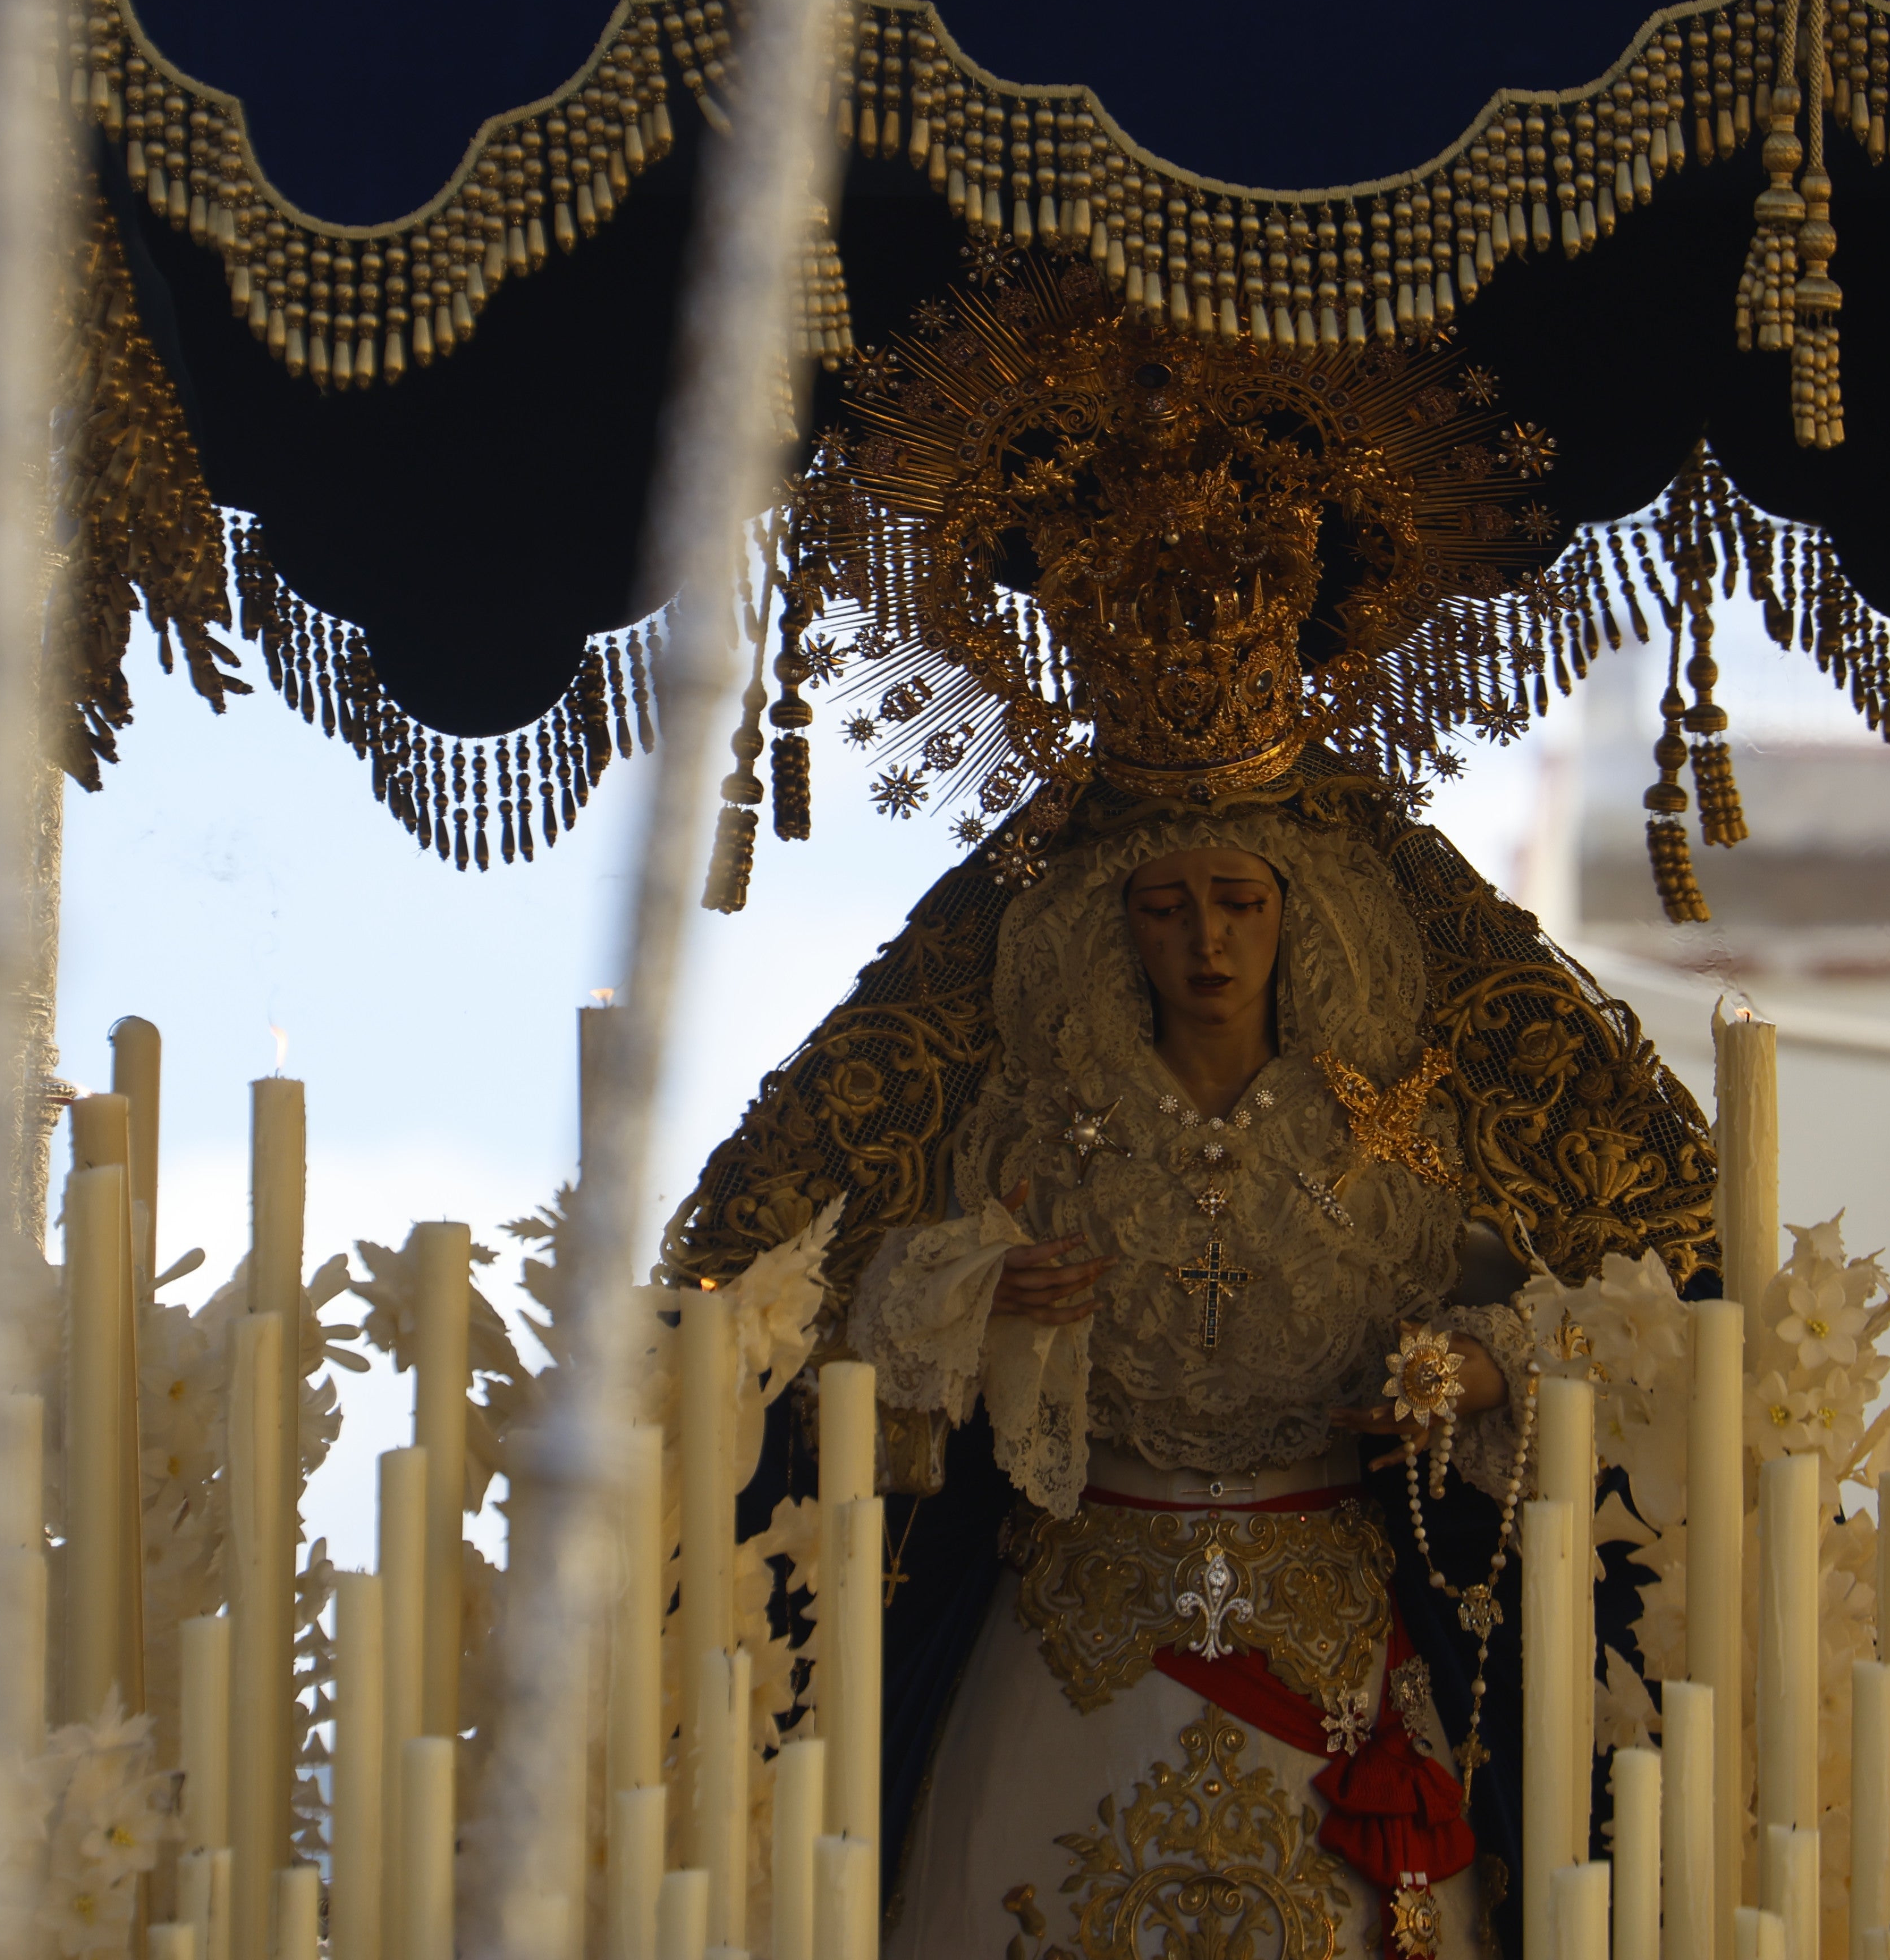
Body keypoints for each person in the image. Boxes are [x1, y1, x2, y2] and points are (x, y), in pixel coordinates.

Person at [659, 263, 1713, 1959]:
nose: (1205, 940)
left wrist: (1484, 1371)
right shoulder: (1016, 1098)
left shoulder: (1398, 1110)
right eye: (1163, 907)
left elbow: (1648, 1283)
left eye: (1239, 900)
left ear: (1303, 914)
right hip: (1069, 1638)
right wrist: (975, 1299)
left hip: (1336, 1646)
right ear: (1106, 929)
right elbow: (771, 1293)